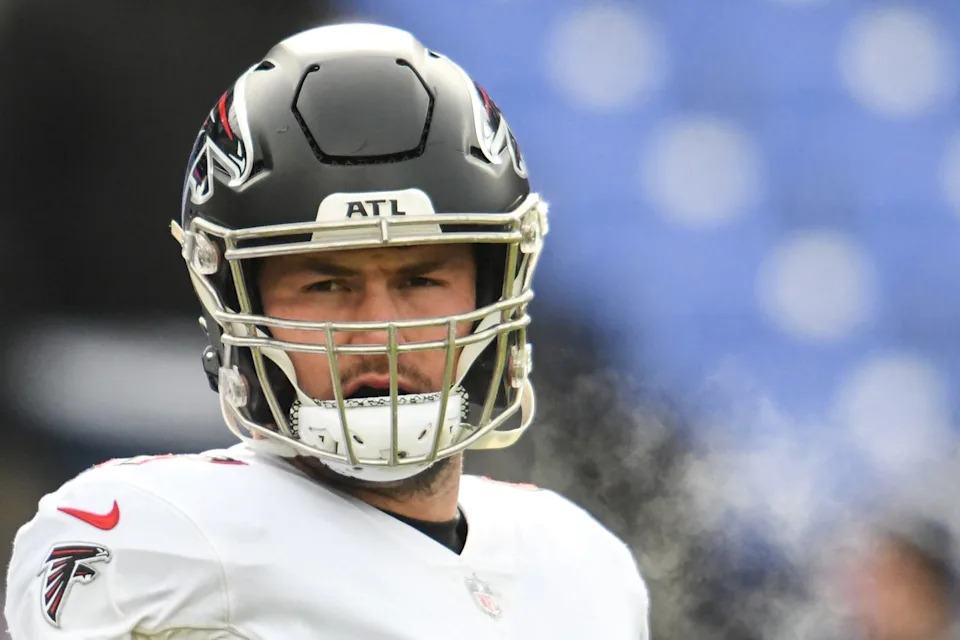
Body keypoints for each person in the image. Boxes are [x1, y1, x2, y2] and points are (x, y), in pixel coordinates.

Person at [4, 23, 649, 639]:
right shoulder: (158, 537)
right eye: (326, 286)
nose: (378, 331)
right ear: (235, 299)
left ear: (493, 291)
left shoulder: (582, 564)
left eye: (421, 280)